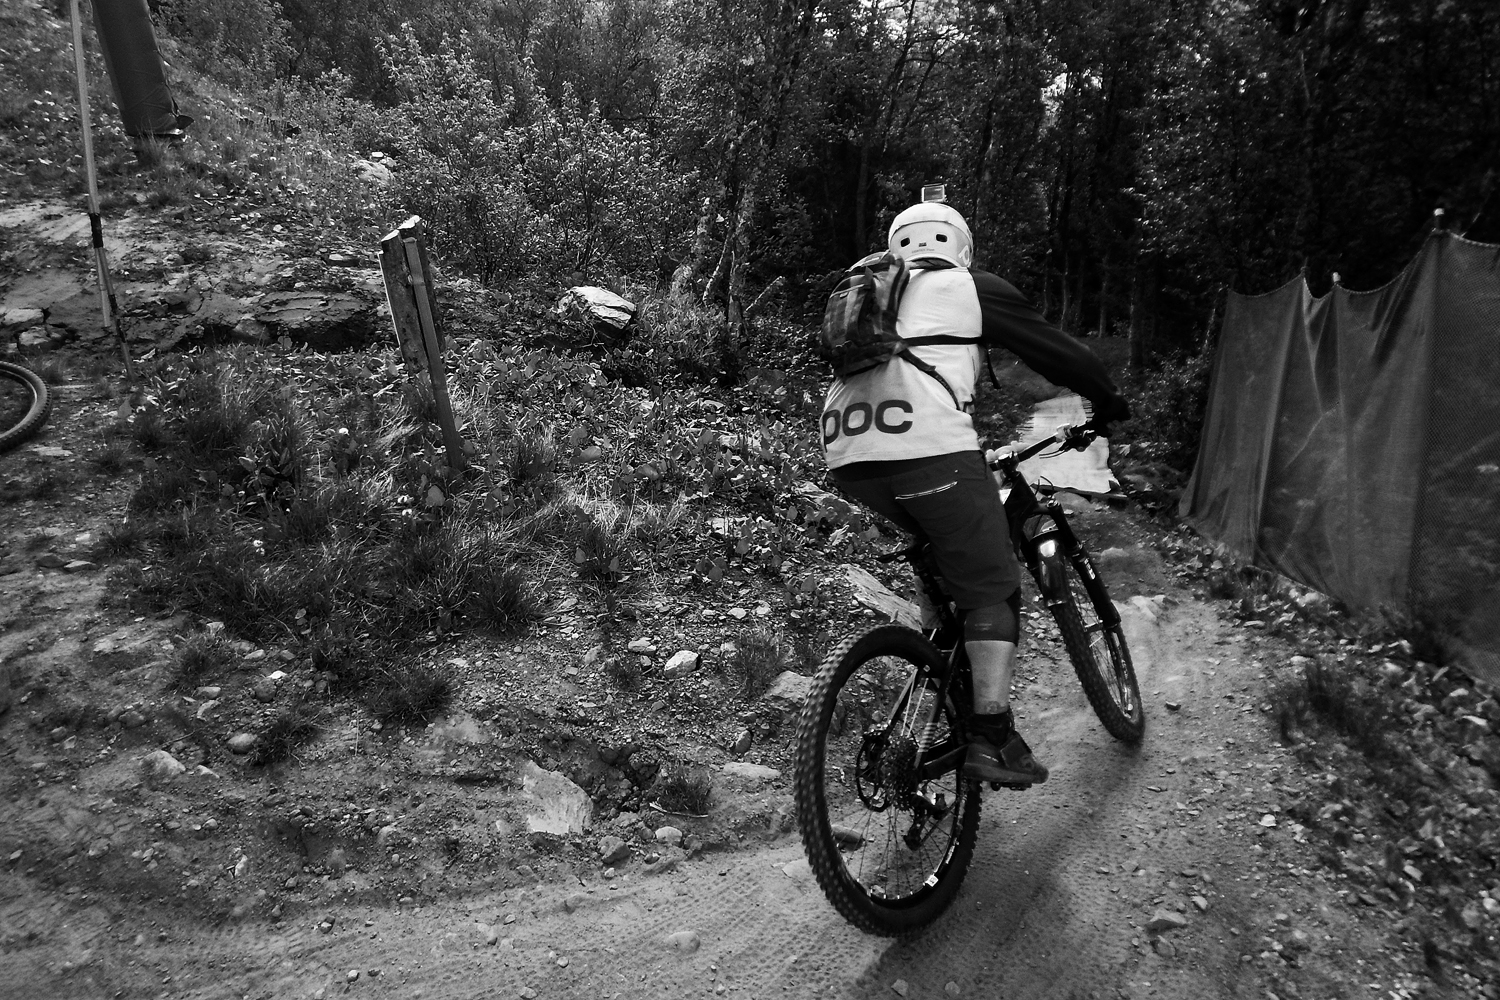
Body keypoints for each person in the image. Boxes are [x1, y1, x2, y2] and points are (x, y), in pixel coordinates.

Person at [820, 198, 1130, 786]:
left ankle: (937, 644)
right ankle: (992, 734)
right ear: (960, 248)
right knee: (993, 587)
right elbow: (1059, 353)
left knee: (942, 539)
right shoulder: (969, 284)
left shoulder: (872, 289)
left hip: (847, 453)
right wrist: (1107, 399)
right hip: (927, 449)